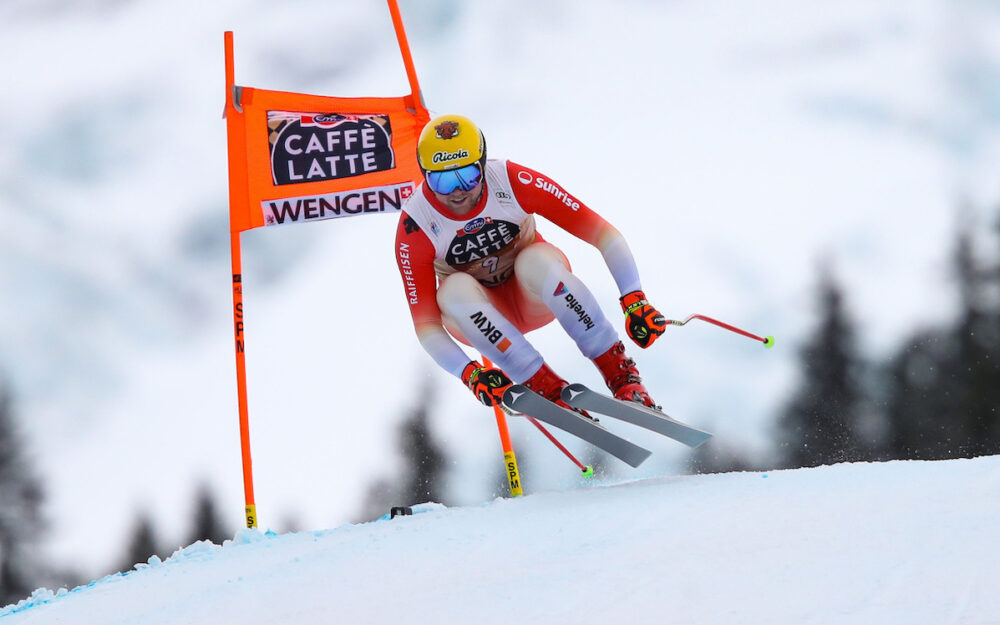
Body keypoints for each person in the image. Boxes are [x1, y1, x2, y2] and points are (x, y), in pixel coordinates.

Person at [394, 114, 667, 413]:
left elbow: (604, 234)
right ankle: (546, 388)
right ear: (424, 175)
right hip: (479, 319)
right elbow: (426, 327)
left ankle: (622, 376)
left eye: (468, 176)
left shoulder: (512, 181)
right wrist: (470, 373)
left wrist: (634, 297)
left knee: (534, 260)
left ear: (483, 164)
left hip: (535, 295)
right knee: (452, 290)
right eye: (442, 180)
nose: (457, 191)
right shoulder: (415, 225)